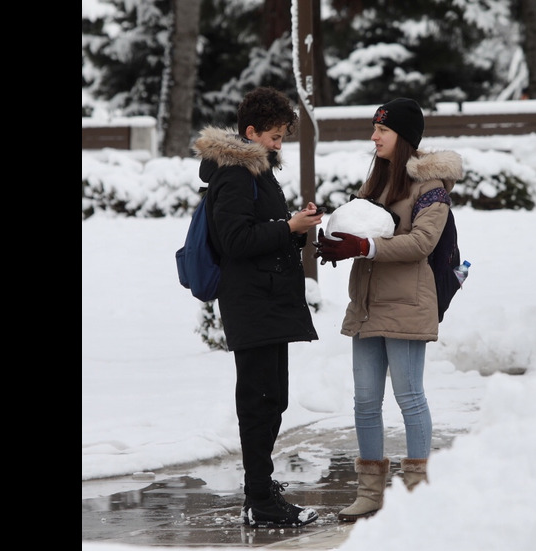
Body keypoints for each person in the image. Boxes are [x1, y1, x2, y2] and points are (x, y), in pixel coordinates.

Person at [315, 97, 463, 522]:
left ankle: (418, 492)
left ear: (404, 137)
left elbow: (422, 244)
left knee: (409, 397)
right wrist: (339, 243)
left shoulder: (430, 188)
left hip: (407, 305)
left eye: (382, 129)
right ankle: (370, 493)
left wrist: (365, 245)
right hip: (367, 306)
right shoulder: (374, 186)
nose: (374, 136)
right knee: (364, 401)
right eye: (375, 128)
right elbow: (364, 234)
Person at [192, 86, 324, 529]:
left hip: (267, 300)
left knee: (274, 399)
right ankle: (259, 499)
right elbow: (236, 241)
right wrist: (289, 226)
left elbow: (263, 232)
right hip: (251, 302)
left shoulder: (257, 172)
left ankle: (262, 491)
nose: (279, 145)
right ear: (251, 132)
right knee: (259, 402)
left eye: (282, 137)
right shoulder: (234, 175)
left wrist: (297, 227)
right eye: (275, 137)